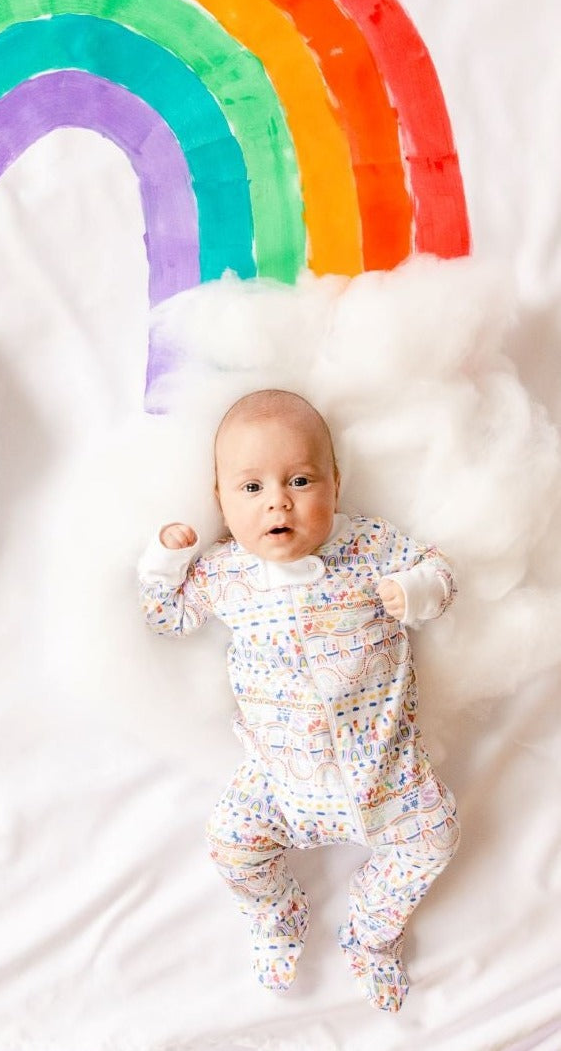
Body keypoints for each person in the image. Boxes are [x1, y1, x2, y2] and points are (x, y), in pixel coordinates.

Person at [137, 388, 458, 1012]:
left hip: (386, 771)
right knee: (230, 843)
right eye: (251, 488)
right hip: (280, 781)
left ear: (335, 485)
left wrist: (413, 590)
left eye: (301, 479)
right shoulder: (225, 572)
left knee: (436, 835)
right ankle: (275, 915)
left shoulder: (367, 545)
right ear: (221, 503)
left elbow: (440, 571)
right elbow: (166, 619)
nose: (278, 500)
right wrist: (165, 561)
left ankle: (372, 932)